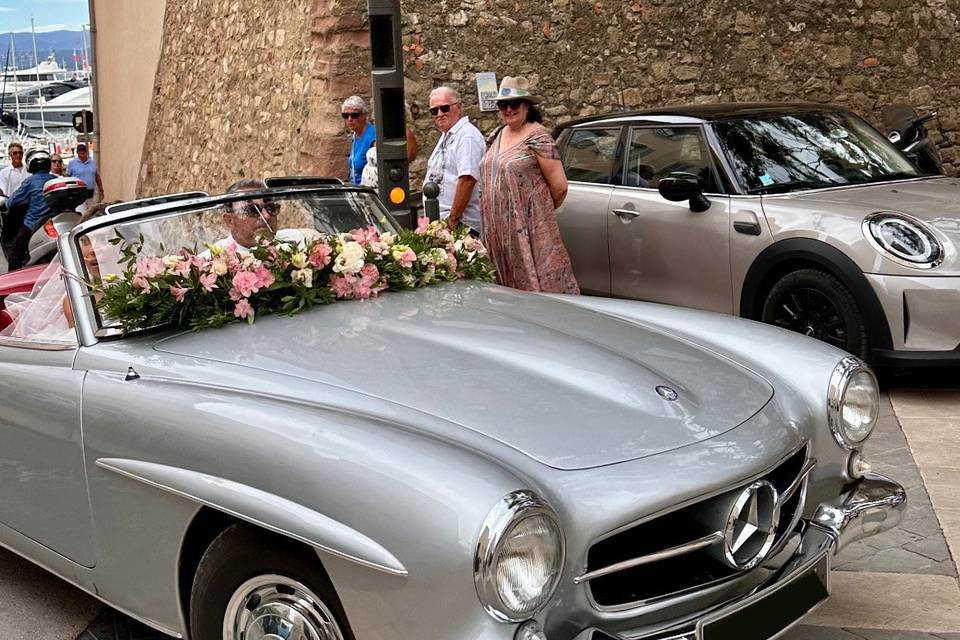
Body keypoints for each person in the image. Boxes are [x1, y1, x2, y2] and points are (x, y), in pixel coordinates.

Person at [479, 76, 579, 294]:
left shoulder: (538, 136)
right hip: (495, 232)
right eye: (502, 105)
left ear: (526, 105)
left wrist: (535, 214)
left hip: (527, 229)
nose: (508, 109)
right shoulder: (496, 134)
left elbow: (560, 186)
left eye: (513, 104)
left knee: (535, 288)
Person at [0, 201, 112, 342]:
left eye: (103, 239)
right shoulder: (76, 299)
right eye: (85, 241)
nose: (92, 250)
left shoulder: (144, 279)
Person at [424, 86, 484, 234]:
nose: (439, 114)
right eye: (434, 111)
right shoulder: (448, 134)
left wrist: (453, 220)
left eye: (444, 108)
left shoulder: (466, 136)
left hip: (461, 225)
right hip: (443, 222)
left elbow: (467, 179)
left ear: (458, 107)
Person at [208, 178, 316, 253]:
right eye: (252, 210)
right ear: (230, 220)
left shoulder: (296, 240)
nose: (266, 216)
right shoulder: (210, 264)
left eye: (270, 208)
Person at [6, 149, 58, 271]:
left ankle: (13, 281)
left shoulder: (30, 181)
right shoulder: (55, 179)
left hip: (33, 223)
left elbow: (11, 202)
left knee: (15, 255)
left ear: (31, 164)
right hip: (55, 222)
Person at [342, 96, 376, 185]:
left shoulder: (373, 136)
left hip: (368, 192)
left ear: (363, 116)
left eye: (354, 115)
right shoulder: (355, 134)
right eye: (346, 116)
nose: (350, 119)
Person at [0, 142, 28, 211]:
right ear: (10, 155)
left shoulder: (29, 170)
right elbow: (3, 193)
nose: (18, 155)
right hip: (12, 208)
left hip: (29, 207)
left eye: (20, 153)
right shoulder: (5, 172)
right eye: (15, 153)